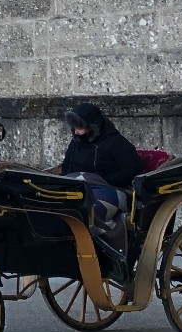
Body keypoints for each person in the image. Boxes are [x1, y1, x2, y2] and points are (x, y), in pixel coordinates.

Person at [60, 103, 142, 255]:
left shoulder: (115, 142)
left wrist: (102, 179)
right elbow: (66, 169)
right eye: (75, 128)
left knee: (91, 210)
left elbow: (133, 169)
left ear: (93, 126)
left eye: (80, 127)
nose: (77, 132)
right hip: (79, 188)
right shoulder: (75, 144)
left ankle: (105, 248)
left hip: (112, 189)